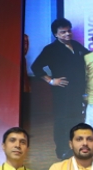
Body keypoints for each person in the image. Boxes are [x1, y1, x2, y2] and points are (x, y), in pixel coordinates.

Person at [32, 19, 89, 160]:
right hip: (62, 92)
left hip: (77, 91)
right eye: (63, 32)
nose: (67, 34)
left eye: (69, 31)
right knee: (62, 120)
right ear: (56, 34)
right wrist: (51, 81)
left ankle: (75, 147)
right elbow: (35, 67)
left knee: (76, 119)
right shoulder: (51, 49)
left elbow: (91, 57)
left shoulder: (76, 45)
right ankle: (62, 149)